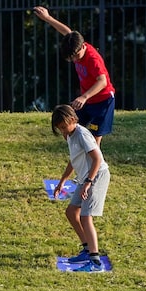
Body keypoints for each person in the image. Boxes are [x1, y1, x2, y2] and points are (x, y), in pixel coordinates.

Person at [33, 6, 115, 146]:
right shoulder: (75, 42)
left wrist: (84, 96)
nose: (76, 60)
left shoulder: (92, 59)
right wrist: (47, 18)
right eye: (72, 59)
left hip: (103, 101)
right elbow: (67, 32)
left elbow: (102, 81)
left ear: (83, 46)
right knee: (72, 130)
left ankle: (95, 166)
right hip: (86, 102)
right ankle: (78, 161)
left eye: (77, 56)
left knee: (93, 141)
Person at [51, 104, 111, 272]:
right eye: (59, 129)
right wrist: (62, 181)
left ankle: (95, 261)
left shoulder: (82, 134)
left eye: (63, 127)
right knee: (71, 212)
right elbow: (74, 160)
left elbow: (97, 158)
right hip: (85, 177)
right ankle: (87, 249)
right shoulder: (70, 135)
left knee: (86, 216)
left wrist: (88, 183)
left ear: (72, 120)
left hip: (97, 176)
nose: (62, 131)